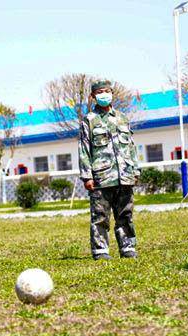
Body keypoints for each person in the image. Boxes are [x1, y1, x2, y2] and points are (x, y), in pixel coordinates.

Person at [78, 79, 140, 260]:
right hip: (101, 177)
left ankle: (128, 247)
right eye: (99, 92)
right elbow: (84, 149)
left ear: (112, 93)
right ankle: (101, 251)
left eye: (106, 91)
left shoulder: (122, 118)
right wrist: (87, 177)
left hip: (124, 175)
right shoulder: (89, 120)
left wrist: (135, 170)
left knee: (125, 215)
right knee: (100, 217)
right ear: (93, 96)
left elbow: (131, 146)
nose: (103, 95)